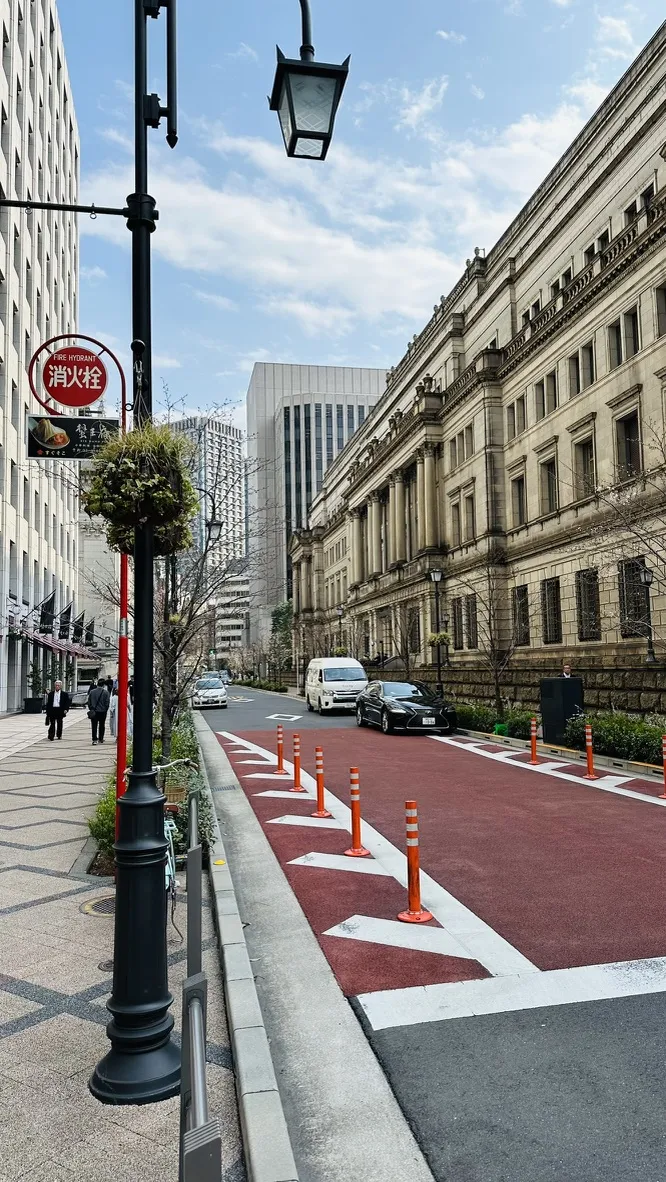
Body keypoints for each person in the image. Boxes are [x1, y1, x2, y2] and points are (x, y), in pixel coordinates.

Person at [88, 678, 111, 745]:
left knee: (94, 726)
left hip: (94, 711)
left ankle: (94, 739)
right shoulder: (106, 692)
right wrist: (105, 709)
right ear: (103, 685)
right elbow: (107, 703)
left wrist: (91, 708)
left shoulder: (92, 692)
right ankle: (101, 738)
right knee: (102, 725)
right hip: (102, 711)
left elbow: (89, 702)